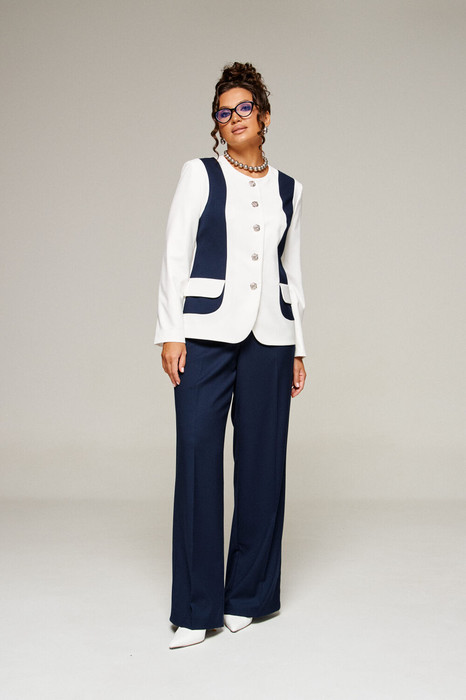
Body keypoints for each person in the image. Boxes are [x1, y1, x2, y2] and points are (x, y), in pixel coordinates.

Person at [154, 61, 307, 649]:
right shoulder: (199, 174)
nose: (234, 117)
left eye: (244, 107)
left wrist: (299, 346)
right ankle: (197, 608)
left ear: (264, 116)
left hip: (272, 337)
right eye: (224, 112)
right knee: (197, 455)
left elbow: (292, 272)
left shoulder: (290, 188)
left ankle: (249, 596)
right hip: (203, 332)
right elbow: (175, 253)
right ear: (217, 124)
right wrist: (170, 333)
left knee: (263, 463)